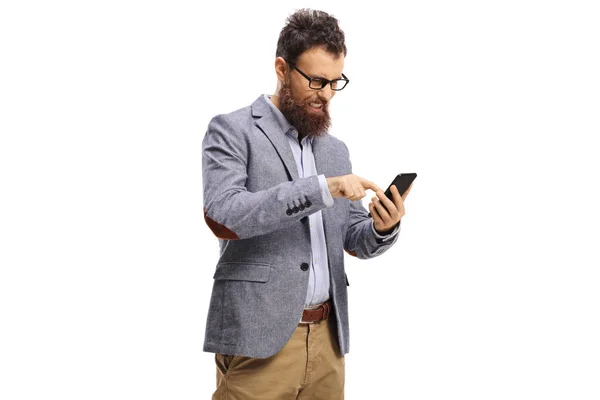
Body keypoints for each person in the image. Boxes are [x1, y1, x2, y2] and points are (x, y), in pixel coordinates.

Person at [201, 8, 412, 399]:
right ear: (282, 68)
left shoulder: (335, 150)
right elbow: (224, 214)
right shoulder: (231, 130)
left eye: (335, 82)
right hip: (259, 342)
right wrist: (321, 188)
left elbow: (352, 237)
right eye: (316, 80)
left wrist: (383, 227)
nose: (327, 94)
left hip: (328, 342)